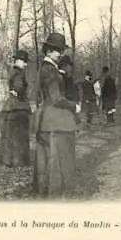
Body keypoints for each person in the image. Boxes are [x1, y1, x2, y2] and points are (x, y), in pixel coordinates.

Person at [33, 33, 80, 199]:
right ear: (49, 51)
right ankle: (56, 197)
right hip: (55, 120)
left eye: (60, 50)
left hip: (45, 119)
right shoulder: (50, 70)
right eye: (57, 50)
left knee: (45, 161)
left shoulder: (47, 69)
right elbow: (57, 98)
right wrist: (74, 106)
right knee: (56, 161)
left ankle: (44, 195)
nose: (60, 53)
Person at [0, 50, 31, 167]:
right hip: (18, 107)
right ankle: (18, 161)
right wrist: (21, 93)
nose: (26, 64)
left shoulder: (12, 71)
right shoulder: (19, 73)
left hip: (10, 107)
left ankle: (7, 160)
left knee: (9, 135)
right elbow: (19, 88)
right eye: (25, 62)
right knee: (19, 135)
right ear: (18, 61)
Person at [58, 55, 81, 125]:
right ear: (65, 66)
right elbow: (70, 95)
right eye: (69, 66)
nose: (70, 68)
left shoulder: (54, 76)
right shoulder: (67, 78)